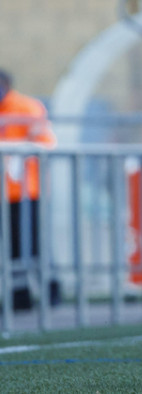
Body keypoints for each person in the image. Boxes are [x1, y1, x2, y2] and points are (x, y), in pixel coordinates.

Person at [0, 69, 59, 311]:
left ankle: (51, 290)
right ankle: (19, 297)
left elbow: (45, 142)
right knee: (10, 247)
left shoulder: (25, 107)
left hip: (27, 191)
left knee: (33, 244)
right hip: (4, 192)